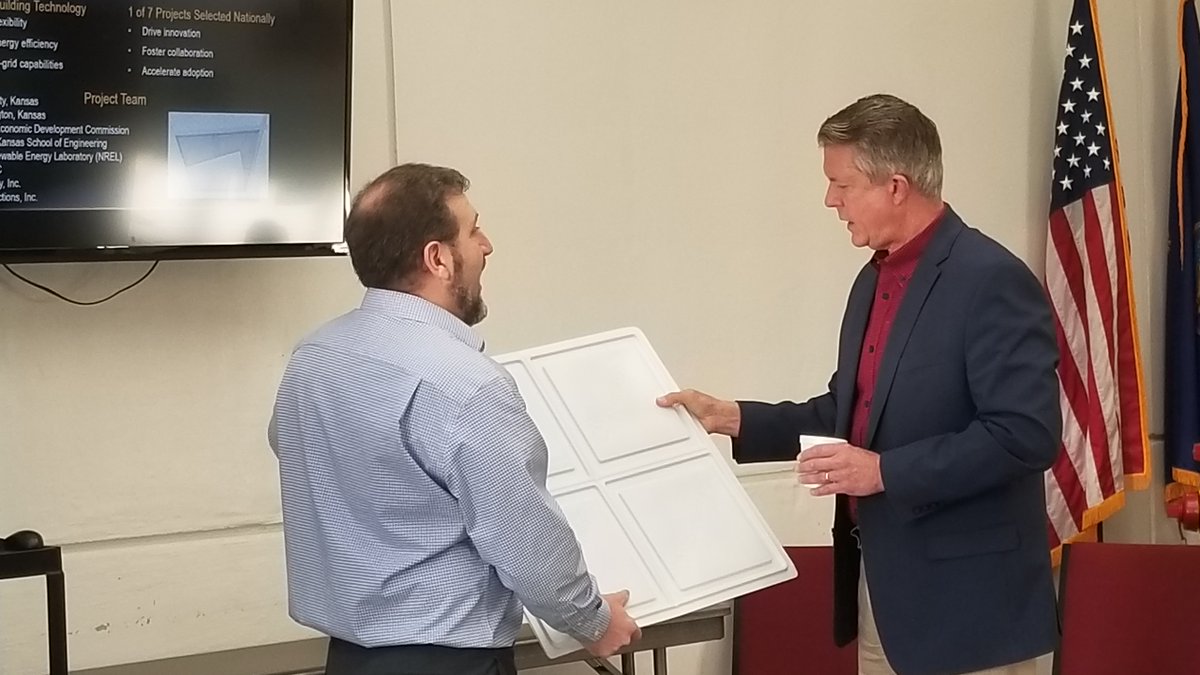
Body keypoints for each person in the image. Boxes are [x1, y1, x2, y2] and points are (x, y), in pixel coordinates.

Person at [657, 94, 1060, 675]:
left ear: (895, 187)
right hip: (884, 596)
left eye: (842, 184)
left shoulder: (991, 280)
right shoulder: (872, 280)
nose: (831, 200)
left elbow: (1024, 435)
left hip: (970, 612)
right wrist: (731, 417)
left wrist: (884, 472)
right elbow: (849, 413)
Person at [269, 163, 641, 675]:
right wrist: (594, 622)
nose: (486, 246)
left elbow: (307, 463)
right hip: (451, 663)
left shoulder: (314, 357)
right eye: (473, 231)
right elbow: (524, 537)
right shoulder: (466, 386)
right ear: (438, 259)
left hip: (348, 660)